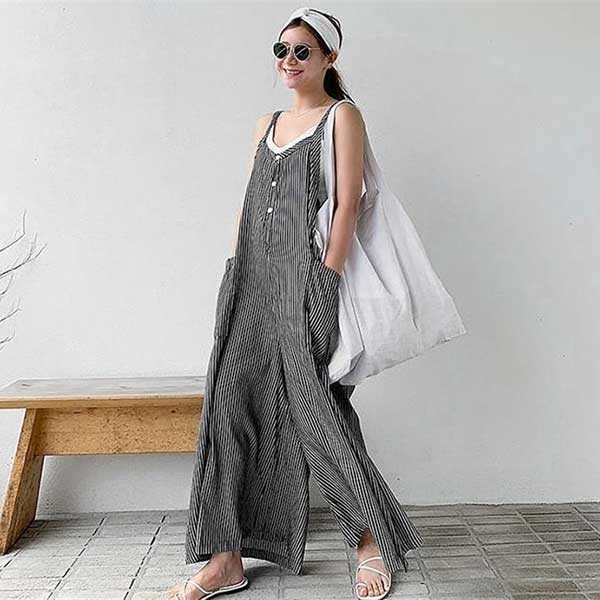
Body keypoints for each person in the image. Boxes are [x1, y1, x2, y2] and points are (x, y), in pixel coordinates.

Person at [167, 7, 423, 600]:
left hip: (305, 281)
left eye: (302, 50)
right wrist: (234, 269)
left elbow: (349, 204)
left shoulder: (342, 117)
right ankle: (225, 557)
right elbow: (248, 203)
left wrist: (324, 283)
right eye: (281, 49)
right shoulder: (267, 123)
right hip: (250, 283)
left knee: (316, 412)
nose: (288, 60)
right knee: (228, 410)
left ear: (329, 57)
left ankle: (369, 542)